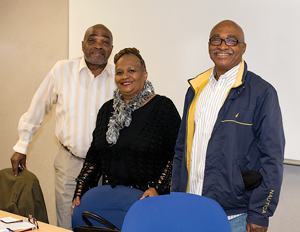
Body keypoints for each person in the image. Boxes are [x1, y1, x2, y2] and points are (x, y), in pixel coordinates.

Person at [171, 20, 285, 232]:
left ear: (243, 47)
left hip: (234, 216)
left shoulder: (262, 93)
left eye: (231, 40)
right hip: (190, 209)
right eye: (216, 39)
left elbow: (272, 158)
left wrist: (260, 212)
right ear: (209, 45)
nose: (222, 45)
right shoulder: (195, 89)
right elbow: (181, 150)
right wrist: (177, 198)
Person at [10, 24, 115, 230]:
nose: (98, 46)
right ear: (83, 44)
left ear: (111, 49)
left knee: (101, 222)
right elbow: (38, 107)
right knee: (67, 223)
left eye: (105, 42)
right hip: (70, 164)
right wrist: (22, 145)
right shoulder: (62, 70)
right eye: (92, 40)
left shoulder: (120, 77)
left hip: (107, 167)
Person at [71, 47, 181, 213]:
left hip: (149, 202)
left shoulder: (162, 108)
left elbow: (178, 155)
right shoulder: (107, 110)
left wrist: (158, 188)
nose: (125, 76)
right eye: (119, 72)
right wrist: (81, 189)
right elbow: (95, 156)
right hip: (111, 202)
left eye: (131, 71)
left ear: (144, 74)